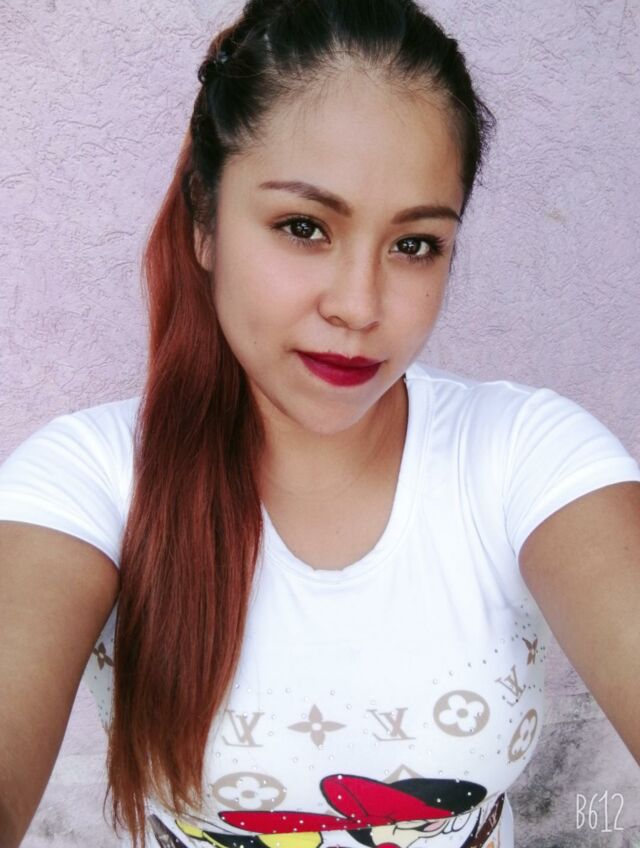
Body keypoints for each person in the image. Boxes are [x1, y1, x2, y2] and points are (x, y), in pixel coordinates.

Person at [0, 0, 639, 846]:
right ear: (204, 222)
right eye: (304, 228)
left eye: (414, 244)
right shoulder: (87, 482)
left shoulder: (526, 456)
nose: (359, 307)